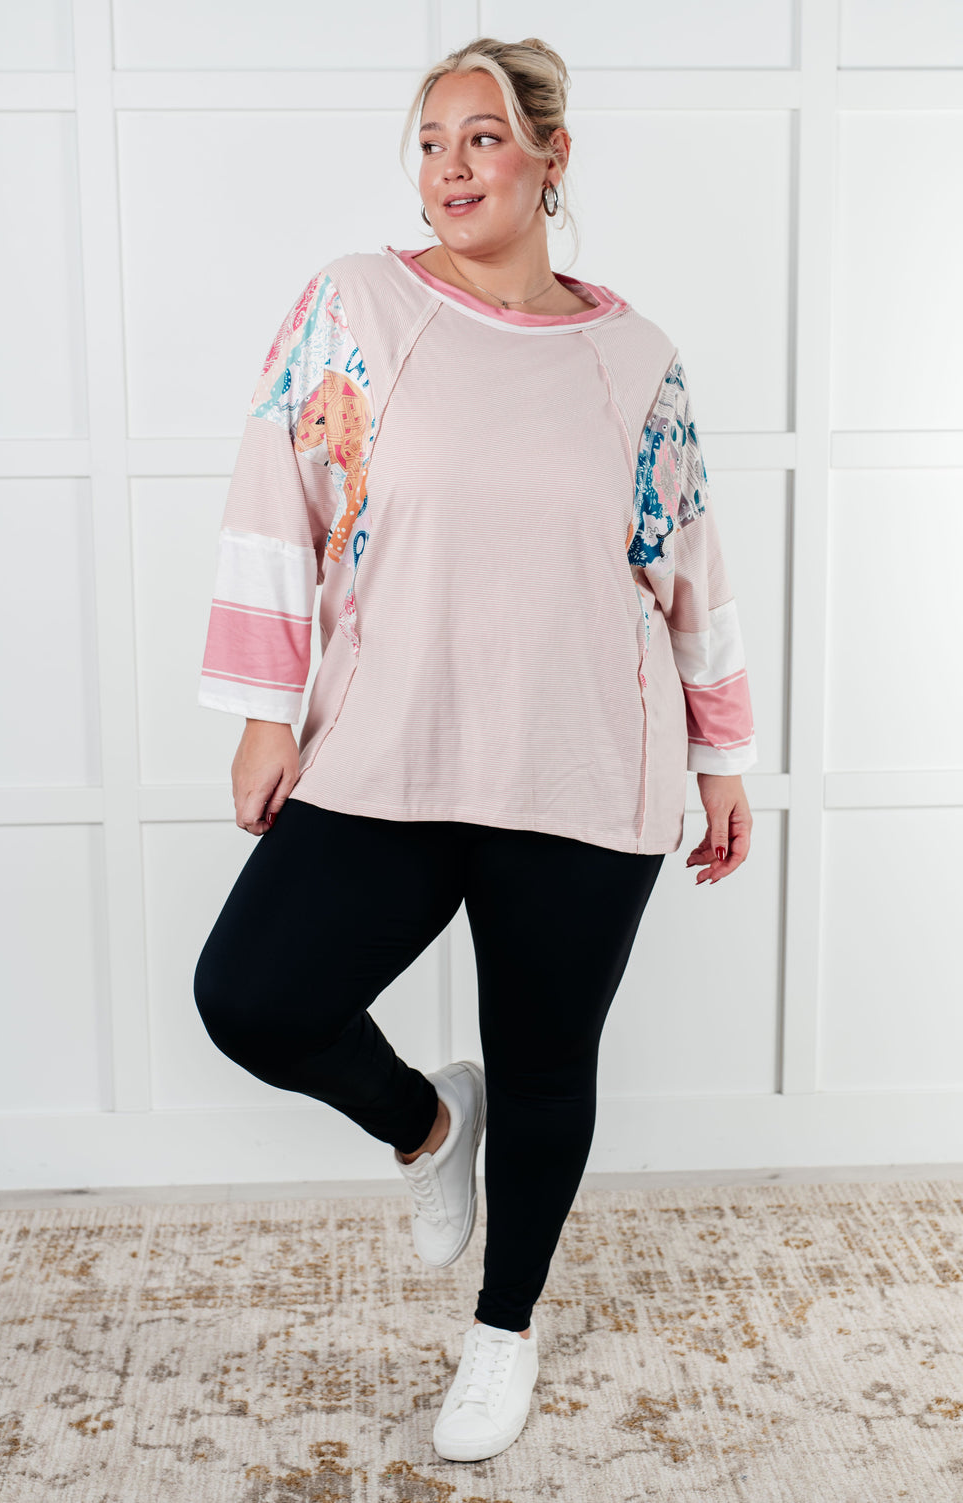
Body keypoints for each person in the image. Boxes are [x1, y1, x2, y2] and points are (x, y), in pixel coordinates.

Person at [192, 35, 756, 1465]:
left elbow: (686, 561)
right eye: (433, 142)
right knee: (253, 996)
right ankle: (430, 1128)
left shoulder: (636, 360)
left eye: (485, 137)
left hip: (590, 762)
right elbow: (273, 496)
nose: (452, 167)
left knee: (548, 1059)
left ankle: (504, 1335)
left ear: (552, 157)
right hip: (393, 743)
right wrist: (265, 710)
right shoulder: (358, 304)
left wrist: (723, 756)